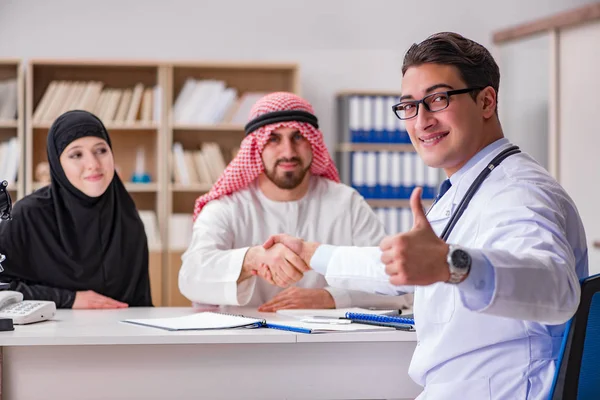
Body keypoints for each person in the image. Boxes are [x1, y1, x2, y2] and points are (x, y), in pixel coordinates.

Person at [258, 33, 588, 399]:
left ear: (486, 101)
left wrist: (452, 265)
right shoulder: (473, 184)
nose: (421, 121)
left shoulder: (519, 192)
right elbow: (403, 266)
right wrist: (311, 253)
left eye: (438, 99)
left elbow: (556, 286)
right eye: (410, 106)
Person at [178, 92, 412, 312]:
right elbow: (190, 277)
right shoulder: (227, 207)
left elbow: (397, 283)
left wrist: (328, 297)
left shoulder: (346, 203)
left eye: (298, 137)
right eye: (274, 139)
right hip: (243, 346)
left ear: (313, 143)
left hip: (325, 345)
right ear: (256, 148)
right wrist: (252, 259)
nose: (288, 151)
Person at [0, 110, 152, 309]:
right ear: (58, 164)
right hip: (46, 336)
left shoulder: (126, 216)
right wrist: (69, 299)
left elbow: (141, 305)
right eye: (76, 154)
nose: (93, 164)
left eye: (101, 150)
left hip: (118, 335)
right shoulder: (27, 215)